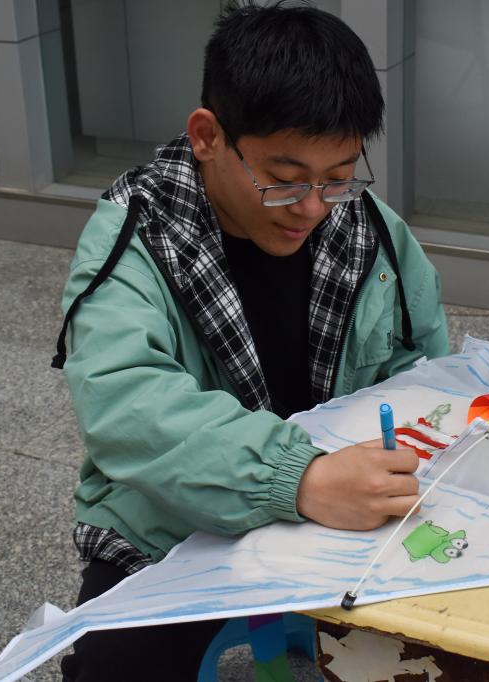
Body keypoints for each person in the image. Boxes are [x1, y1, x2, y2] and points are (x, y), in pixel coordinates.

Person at [53, 3, 448, 679]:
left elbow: (427, 374)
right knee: (114, 667)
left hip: (347, 507)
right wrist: (298, 479)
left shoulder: (372, 232)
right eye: (284, 180)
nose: (313, 207)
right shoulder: (136, 238)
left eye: (338, 176)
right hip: (177, 519)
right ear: (208, 136)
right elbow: (125, 404)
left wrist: (394, 464)